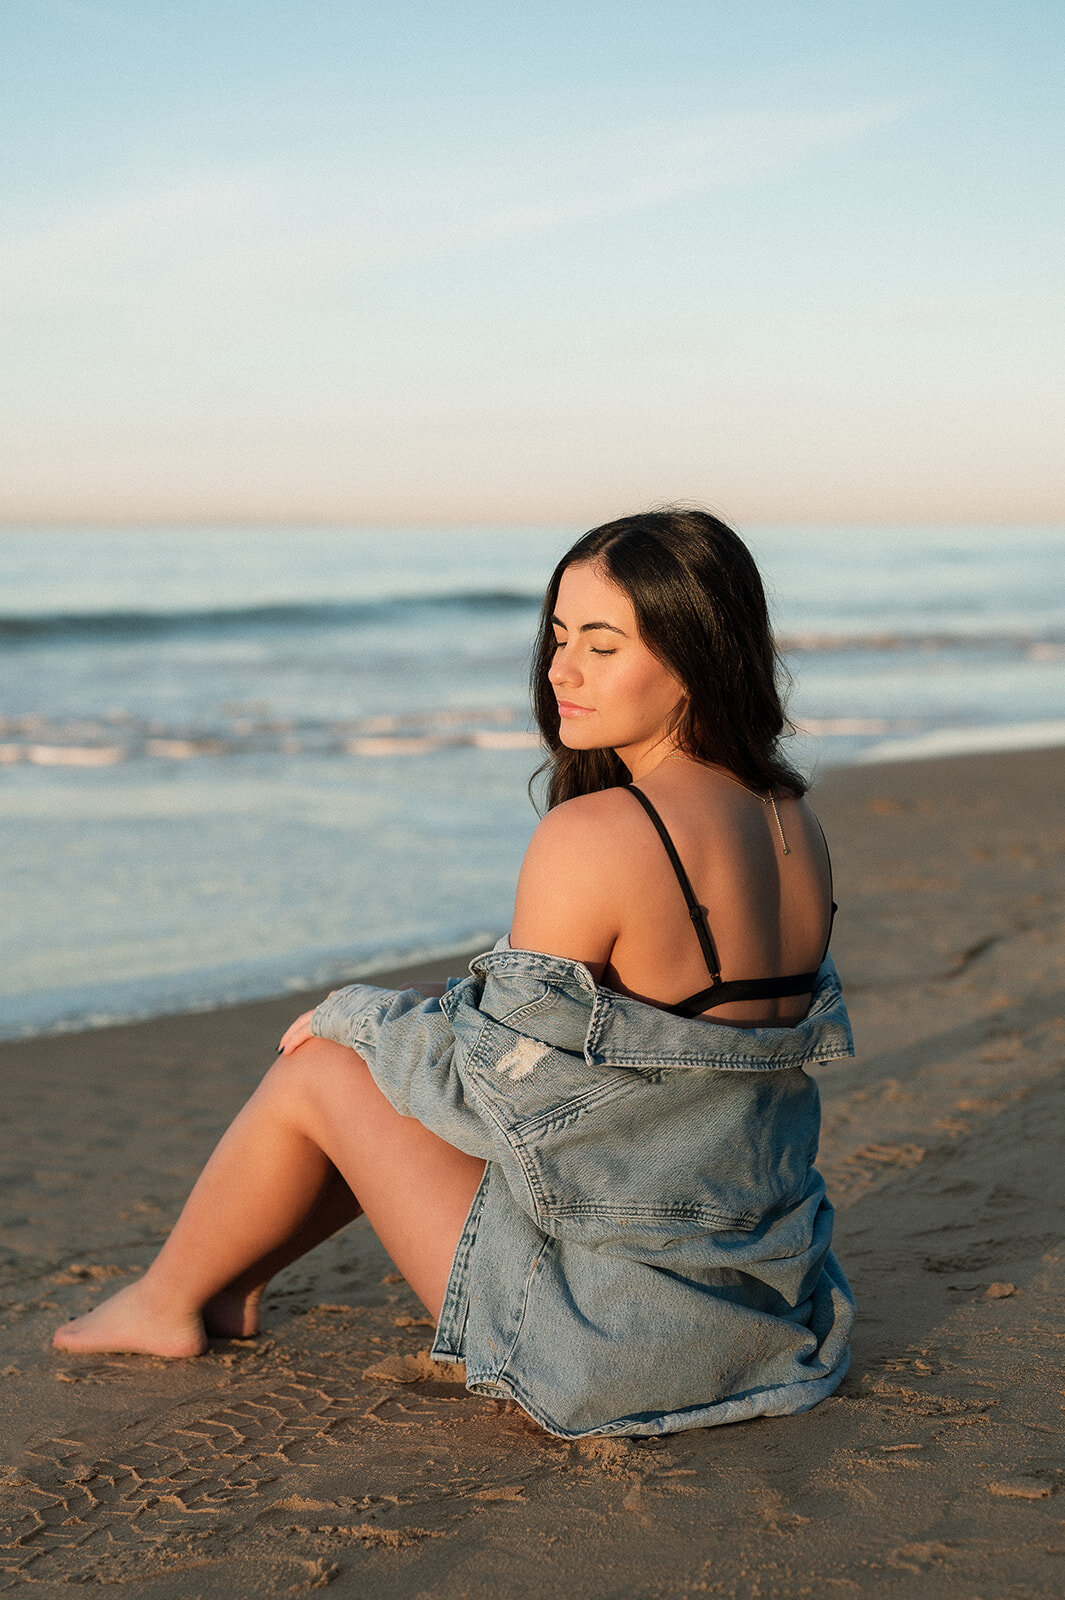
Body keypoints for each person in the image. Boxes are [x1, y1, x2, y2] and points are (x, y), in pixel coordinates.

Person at [54, 508, 855, 1439]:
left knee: (327, 1064)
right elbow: (661, 1061)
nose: (560, 671)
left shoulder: (596, 835)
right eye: (558, 637)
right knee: (397, 1039)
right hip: (761, 1308)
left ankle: (163, 1301)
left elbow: (488, 1098)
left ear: (694, 653)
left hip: (613, 1339)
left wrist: (359, 1016)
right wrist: (421, 1019)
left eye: (601, 645)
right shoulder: (793, 821)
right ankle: (222, 1286)